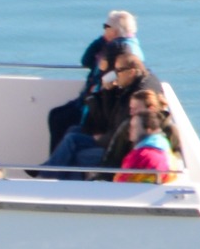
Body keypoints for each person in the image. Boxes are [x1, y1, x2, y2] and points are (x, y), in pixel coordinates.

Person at [42, 10, 134, 160]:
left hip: (96, 105)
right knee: (57, 116)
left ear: (115, 30)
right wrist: (102, 40)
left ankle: (54, 166)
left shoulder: (121, 49)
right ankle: (54, 163)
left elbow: (110, 79)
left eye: (106, 26)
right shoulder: (111, 45)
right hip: (88, 99)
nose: (104, 29)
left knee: (61, 120)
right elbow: (86, 60)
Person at [47, 45, 148, 173]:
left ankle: (48, 174)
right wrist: (108, 91)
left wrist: (99, 139)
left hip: (113, 149)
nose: (115, 75)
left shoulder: (131, 95)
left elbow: (119, 133)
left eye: (118, 71)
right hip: (107, 135)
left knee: (75, 146)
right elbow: (109, 118)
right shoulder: (123, 89)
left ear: (131, 72)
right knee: (71, 129)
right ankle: (50, 170)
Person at [113, 88, 178, 183]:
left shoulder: (140, 156)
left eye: (134, 127)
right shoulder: (165, 149)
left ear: (148, 130)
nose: (129, 130)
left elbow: (120, 181)